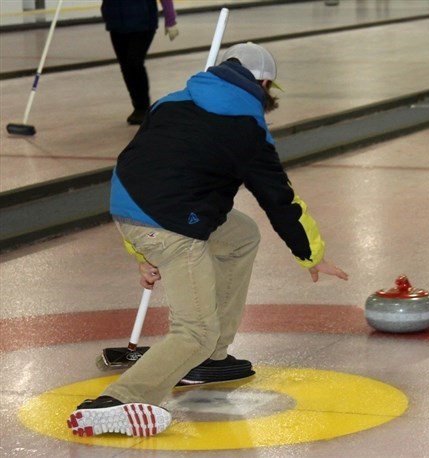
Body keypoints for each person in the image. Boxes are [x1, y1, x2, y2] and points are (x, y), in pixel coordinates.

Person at [66, 42, 349, 438]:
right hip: (170, 225)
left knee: (240, 235)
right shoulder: (248, 129)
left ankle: (213, 358)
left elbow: (132, 166)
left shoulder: (170, 102)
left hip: (130, 208)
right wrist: (311, 255)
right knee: (194, 331)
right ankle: (116, 402)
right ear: (264, 83)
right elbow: (280, 199)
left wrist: (138, 249)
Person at [101, 0, 179, 125]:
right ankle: (138, 107)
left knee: (134, 62)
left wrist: (170, 20)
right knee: (125, 66)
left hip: (143, 22)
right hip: (116, 22)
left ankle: (143, 107)